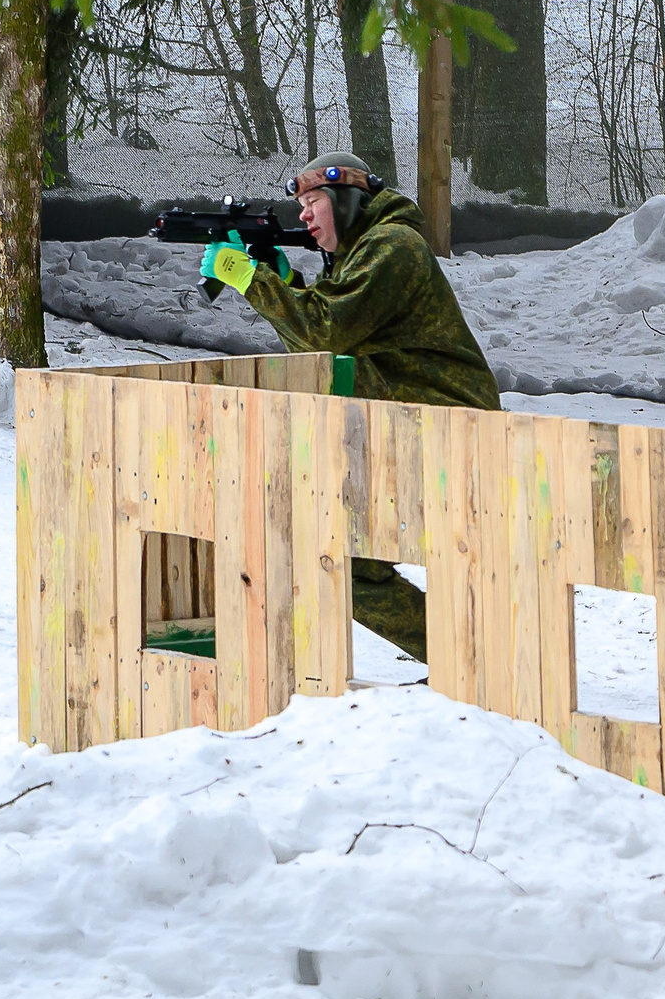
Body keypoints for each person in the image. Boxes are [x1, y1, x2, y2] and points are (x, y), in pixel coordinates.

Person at [199, 152, 503, 656]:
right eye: (300, 204)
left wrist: (252, 279)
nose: (303, 215)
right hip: (409, 430)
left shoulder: (393, 247)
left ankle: (475, 661)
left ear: (345, 201)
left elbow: (328, 329)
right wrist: (287, 286)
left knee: (357, 556)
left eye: (313, 201)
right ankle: (466, 659)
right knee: (341, 559)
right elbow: (322, 345)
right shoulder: (364, 252)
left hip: (453, 430)